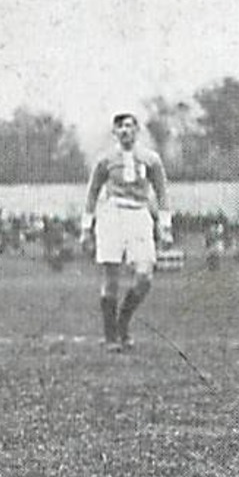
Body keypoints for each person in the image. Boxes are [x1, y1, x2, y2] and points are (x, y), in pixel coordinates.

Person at [81, 111, 171, 352]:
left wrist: (165, 224)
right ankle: (111, 336)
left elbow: (162, 193)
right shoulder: (105, 160)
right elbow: (92, 192)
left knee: (145, 276)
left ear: (137, 130)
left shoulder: (150, 159)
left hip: (140, 215)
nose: (125, 131)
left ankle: (123, 322)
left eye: (130, 127)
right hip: (112, 215)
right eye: (120, 128)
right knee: (111, 277)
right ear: (115, 132)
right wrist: (86, 227)